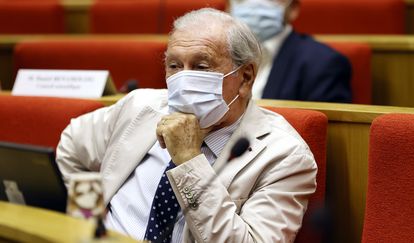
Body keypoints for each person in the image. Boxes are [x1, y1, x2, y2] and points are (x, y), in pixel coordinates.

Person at [56, 8, 317, 243]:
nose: (183, 78)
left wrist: (189, 161)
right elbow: (70, 148)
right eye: (174, 66)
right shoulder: (141, 105)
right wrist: (88, 222)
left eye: (201, 67)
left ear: (245, 77)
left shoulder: (284, 155)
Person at [230, 0, 352, 102]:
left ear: (293, 8)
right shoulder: (217, 54)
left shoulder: (323, 63)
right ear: (229, 6)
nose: (255, 4)